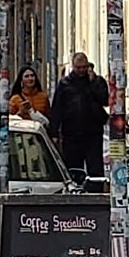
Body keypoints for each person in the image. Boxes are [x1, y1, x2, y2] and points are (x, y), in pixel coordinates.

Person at [49, 53, 110, 181]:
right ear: (73, 66)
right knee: (73, 169)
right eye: (78, 68)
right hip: (71, 133)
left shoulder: (97, 81)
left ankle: (96, 188)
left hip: (93, 132)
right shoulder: (65, 84)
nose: (81, 70)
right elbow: (57, 109)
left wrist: (93, 83)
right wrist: (54, 132)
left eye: (84, 67)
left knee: (95, 168)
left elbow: (104, 100)